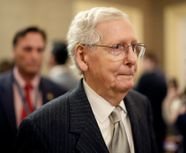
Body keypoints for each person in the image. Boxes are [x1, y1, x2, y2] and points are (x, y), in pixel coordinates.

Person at [16, 7, 158, 153]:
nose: (132, 59)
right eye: (117, 47)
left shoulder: (141, 105)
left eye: (134, 47)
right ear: (83, 57)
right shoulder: (41, 128)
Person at [0, 26, 67, 153]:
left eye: (39, 50)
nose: (34, 56)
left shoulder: (59, 94)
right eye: (28, 49)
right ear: (14, 51)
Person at [135, 52, 167, 153]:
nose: (143, 64)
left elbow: (135, 97)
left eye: (144, 61)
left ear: (150, 62)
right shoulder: (162, 77)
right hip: (160, 120)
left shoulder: (145, 78)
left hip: (147, 119)